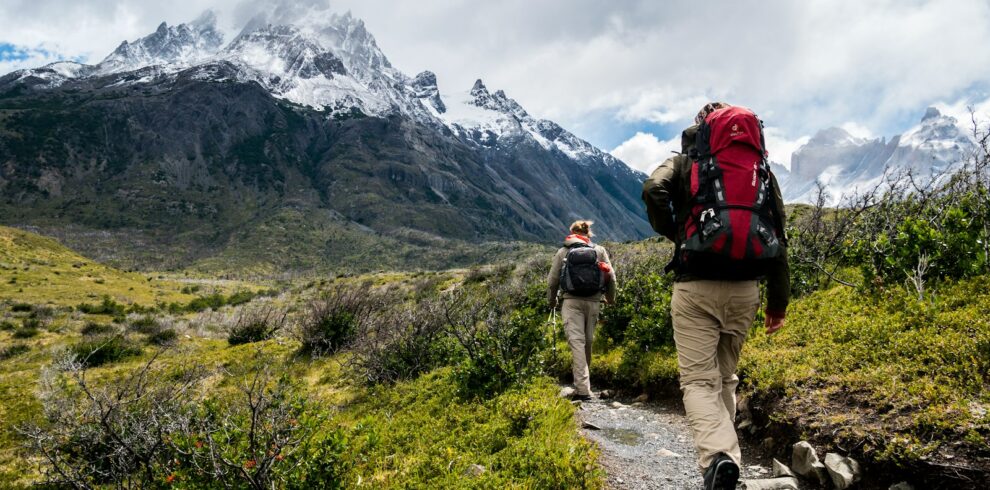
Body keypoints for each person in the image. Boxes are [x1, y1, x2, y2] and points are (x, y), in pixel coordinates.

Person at [642, 102, 790, 490]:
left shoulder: (688, 161)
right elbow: (777, 233)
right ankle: (730, 465)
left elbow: (652, 190)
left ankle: (719, 459)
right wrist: (778, 302)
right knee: (725, 378)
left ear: (702, 128)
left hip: (696, 286)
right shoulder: (760, 170)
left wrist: (679, 232)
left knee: (697, 382)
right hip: (746, 290)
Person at [547, 220, 616, 402]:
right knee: (588, 342)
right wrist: (610, 298)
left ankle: (583, 389)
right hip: (594, 302)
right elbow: (611, 276)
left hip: (571, 302)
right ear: (588, 233)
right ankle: (584, 384)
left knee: (576, 342)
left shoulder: (563, 251)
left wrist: (552, 301)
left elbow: (552, 281)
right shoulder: (599, 250)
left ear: (572, 233)